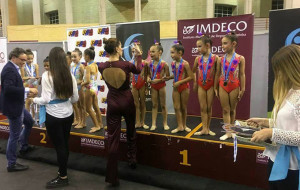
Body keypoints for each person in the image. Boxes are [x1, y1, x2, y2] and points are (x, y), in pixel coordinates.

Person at [247, 44, 300, 190]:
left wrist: (271, 133)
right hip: (277, 158)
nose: (278, 74)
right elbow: (287, 122)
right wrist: (265, 122)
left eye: (280, 69)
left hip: (294, 166)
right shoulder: (289, 91)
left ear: (290, 67)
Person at [98, 38, 142, 186]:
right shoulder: (126, 65)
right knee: (131, 130)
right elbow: (139, 70)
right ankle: (132, 159)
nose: (122, 48)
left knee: (112, 138)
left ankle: (112, 176)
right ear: (117, 49)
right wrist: (138, 56)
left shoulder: (102, 66)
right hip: (127, 100)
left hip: (112, 102)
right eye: (121, 47)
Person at [33, 47, 79, 188]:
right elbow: (75, 98)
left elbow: (46, 99)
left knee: (60, 147)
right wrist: (65, 103)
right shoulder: (69, 75)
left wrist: (34, 99)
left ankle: (63, 176)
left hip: (54, 116)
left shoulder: (47, 76)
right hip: (68, 114)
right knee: (64, 144)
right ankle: (62, 171)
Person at [0, 47, 37, 172]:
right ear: (13, 57)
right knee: (14, 135)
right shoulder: (9, 70)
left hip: (17, 104)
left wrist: (26, 94)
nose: (24, 62)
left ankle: (24, 146)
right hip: (13, 107)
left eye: (25, 60)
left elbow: (13, 88)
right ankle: (11, 164)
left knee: (29, 122)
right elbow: (8, 89)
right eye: (22, 60)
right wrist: (27, 90)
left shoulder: (13, 68)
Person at [215, 31, 246, 141]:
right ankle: (227, 132)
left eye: (225, 43)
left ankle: (232, 131)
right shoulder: (220, 59)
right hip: (222, 86)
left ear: (233, 44)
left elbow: (242, 74)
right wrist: (215, 87)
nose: (222, 46)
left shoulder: (240, 58)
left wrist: (243, 88)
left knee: (232, 110)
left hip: (234, 86)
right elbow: (218, 74)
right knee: (225, 110)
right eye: (222, 43)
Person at [193, 35, 218, 136]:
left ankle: (208, 128)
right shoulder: (197, 59)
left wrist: (215, 86)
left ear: (207, 45)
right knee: (203, 108)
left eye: (199, 46)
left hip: (211, 85)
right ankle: (204, 129)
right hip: (201, 86)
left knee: (208, 107)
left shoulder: (216, 58)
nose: (197, 49)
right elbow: (193, 71)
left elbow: (217, 73)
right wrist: (195, 82)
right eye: (197, 47)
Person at [166, 41, 193, 133]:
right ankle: (179, 126)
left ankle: (184, 125)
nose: (171, 55)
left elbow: (191, 77)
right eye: (170, 52)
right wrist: (169, 77)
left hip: (184, 87)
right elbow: (176, 75)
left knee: (183, 107)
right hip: (176, 87)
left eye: (173, 52)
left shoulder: (185, 63)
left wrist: (180, 82)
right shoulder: (173, 64)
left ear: (180, 53)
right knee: (176, 107)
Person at [147, 42, 170, 131]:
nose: (151, 54)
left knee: (163, 105)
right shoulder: (150, 64)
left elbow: (167, 77)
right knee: (154, 105)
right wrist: (149, 78)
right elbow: (149, 74)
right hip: (153, 86)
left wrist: (160, 80)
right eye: (150, 52)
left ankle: (165, 123)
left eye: (153, 52)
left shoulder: (164, 64)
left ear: (159, 52)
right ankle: (153, 124)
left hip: (161, 86)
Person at [81, 46, 103, 133]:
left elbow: (87, 81)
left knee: (88, 108)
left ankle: (96, 125)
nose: (83, 57)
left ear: (87, 56)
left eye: (84, 55)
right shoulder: (95, 65)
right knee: (96, 106)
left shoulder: (88, 67)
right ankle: (100, 124)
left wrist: (79, 84)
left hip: (89, 88)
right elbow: (93, 79)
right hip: (94, 87)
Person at [130, 40, 149, 129]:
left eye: (136, 51)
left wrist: (147, 86)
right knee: (136, 104)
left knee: (143, 103)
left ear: (141, 52)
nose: (134, 53)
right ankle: (137, 122)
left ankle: (143, 122)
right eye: (133, 52)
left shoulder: (145, 63)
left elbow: (148, 74)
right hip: (134, 85)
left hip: (142, 84)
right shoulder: (130, 63)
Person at [21, 49, 39, 119]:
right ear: (25, 59)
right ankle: (27, 117)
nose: (30, 60)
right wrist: (29, 77)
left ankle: (34, 117)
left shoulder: (35, 66)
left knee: (34, 100)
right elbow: (22, 77)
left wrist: (37, 77)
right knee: (27, 101)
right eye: (28, 59)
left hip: (34, 84)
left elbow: (37, 76)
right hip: (27, 84)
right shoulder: (23, 66)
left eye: (32, 59)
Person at [71, 48, 85, 128]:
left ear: (80, 57)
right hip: (74, 88)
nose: (73, 58)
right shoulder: (72, 66)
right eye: (72, 57)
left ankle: (83, 122)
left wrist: (78, 83)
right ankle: (79, 120)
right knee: (78, 105)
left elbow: (85, 79)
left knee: (82, 106)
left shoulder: (81, 66)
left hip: (80, 88)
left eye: (75, 57)